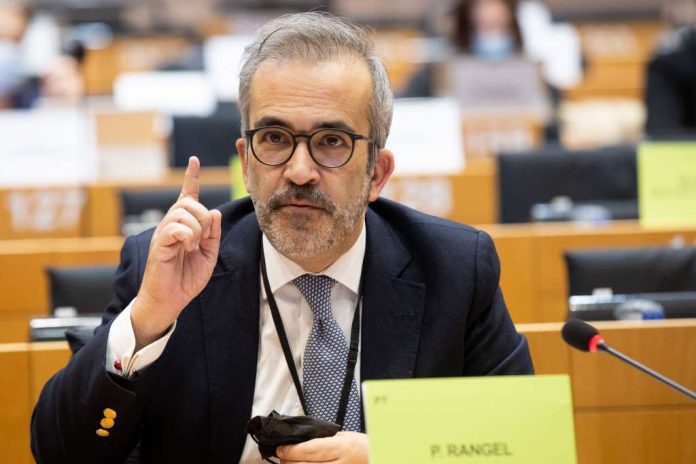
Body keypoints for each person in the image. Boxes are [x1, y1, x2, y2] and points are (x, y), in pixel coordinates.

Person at [31, 12, 533, 464]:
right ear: (246, 162)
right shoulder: (167, 268)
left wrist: (396, 454)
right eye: (274, 139)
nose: (299, 170)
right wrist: (147, 320)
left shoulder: (453, 269)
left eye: (331, 142)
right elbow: (59, 453)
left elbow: (524, 443)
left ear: (377, 173)